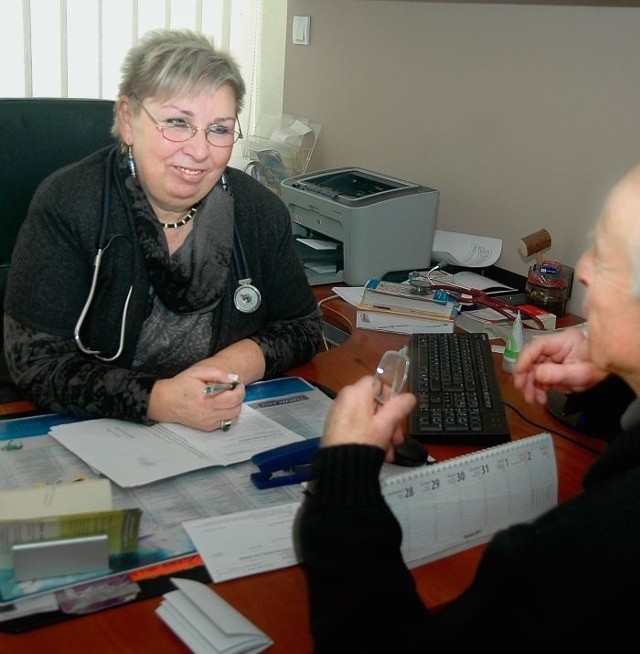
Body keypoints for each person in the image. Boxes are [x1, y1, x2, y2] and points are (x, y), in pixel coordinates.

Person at [297, 162, 640, 649]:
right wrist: (608, 353)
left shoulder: (590, 551)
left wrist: (342, 477)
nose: (581, 268)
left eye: (605, 257)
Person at [3, 29, 322, 432]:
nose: (200, 150)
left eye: (219, 129)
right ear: (128, 120)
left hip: (218, 432)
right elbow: (35, 362)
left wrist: (227, 367)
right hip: (85, 429)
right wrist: (161, 399)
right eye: (177, 122)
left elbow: (303, 326)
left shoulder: (257, 210)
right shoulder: (70, 205)